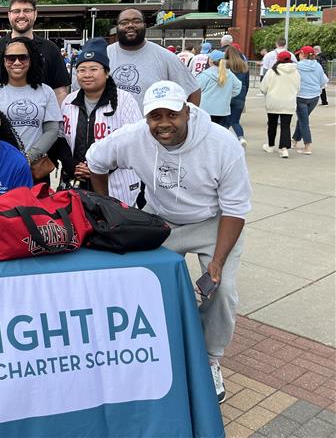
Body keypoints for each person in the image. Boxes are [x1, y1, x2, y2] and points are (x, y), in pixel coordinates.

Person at [86, 80, 251, 404]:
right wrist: (105, 209)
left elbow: (235, 209)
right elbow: (96, 161)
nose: (163, 123)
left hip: (213, 221)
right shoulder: (134, 136)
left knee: (223, 291)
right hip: (161, 218)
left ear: (187, 111)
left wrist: (216, 264)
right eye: (155, 116)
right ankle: (144, 348)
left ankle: (210, 358)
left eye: (171, 115)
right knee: (132, 278)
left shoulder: (222, 142)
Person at [56, 39, 141, 205]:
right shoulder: (69, 101)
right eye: (81, 70)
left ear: (106, 72)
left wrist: (97, 168)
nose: (87, 75)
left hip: (116, 183)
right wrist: (72, 165)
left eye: (93, 69)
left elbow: (133, 142)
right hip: (76, 183)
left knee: (114, 226)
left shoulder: (125, 101)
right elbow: (60, 139)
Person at [0, 38, 61, 181]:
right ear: (4, 61)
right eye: (11, 58)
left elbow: (52, 130)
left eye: (23, 57)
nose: (17, 62)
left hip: (35, 169)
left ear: (31, 60)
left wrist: (29, 157)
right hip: (0, 167)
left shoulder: (46, 91)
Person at [0, 0, 71, 105]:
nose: (21, 15)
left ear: (35, 14)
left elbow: (60, 91)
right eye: (16, 11)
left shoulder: (51, 49)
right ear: (9, 15)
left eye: (27, 10)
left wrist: (55, 119)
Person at [108, 8, 201, 109]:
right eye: (124, 22)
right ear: (117, 27)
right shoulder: (105, 54)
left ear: (145, 26)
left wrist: (187, 119)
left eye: (136, 21)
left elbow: (193, 90)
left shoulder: (165, 57)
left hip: (149, 124)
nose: (130, 25)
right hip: (111, 123)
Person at [260, 51, 300, 158]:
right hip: (289, 101)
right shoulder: (295, 72)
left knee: (272, 124)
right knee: (285, 125)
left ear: (278, 59)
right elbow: (298, 88)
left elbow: (263, 87)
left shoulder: (271, 71)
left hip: (273, 101)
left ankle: (270, 145)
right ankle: (284, 148)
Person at [291, 45, 329, 155]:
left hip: (301, 96)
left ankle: (307, 146)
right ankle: (294, 140)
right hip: (314, 97)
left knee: (303, 121)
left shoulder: (297, 66)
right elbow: (323, 81)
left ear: (303, 55)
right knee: (303, 118)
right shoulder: (317, 66)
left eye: (300, 54)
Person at [196, 49, 242, 127]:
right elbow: (238, 87)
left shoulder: (205, 75)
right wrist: (227, 95)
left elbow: (196, 89)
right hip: (223, 110)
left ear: (211, 61)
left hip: (206, 110)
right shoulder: (230, 74)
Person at [224, 46, 249, 147]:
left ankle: (222, 140)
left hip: (227, 94)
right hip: (240, 95)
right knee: (235, 121)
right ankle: (241, 137)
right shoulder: (244, 65)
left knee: (224, 120)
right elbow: (247, 83)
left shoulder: (226, 64)